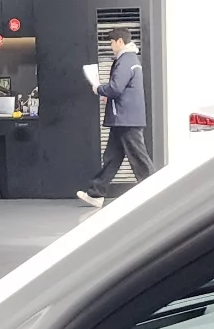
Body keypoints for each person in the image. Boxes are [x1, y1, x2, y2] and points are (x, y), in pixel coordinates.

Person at [79, 31, 150, 207]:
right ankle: (96, 193)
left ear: (120, 41)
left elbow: (116, 88)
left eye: (111, 42)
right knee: (112, 157)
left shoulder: (126, 60)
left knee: (139, 159)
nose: (110, 46)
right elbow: (122, 89)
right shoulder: (131, 60)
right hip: (124, 118)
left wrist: (99, 89)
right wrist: (108, 95)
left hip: (125, 118)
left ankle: (155, 191)